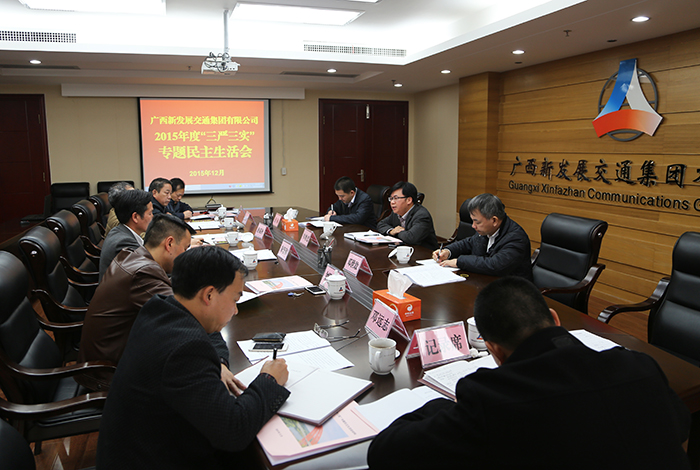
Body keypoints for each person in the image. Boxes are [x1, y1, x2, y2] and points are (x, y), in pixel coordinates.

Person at [367, 276, 691, 469]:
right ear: (554, 318)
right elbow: (680, 425)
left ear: (493, 349)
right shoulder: (640, 366)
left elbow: (385, 453)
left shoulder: (491, 400)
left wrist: (443, 406)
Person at [97, 246, 290, 469]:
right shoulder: (185, 350)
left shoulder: (160, 307)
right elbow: (233, 430)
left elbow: (211, 332)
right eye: (235, 299)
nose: (236, 310)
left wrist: (218, 363)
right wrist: (269, 380)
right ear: (209, 295)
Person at [78, 214, 237, 391]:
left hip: (117, 359)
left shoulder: (135, 256)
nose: (186, 255)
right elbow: (191, 318)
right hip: (108, 375)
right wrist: (219, 361)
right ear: (169, 244)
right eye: (185, 248)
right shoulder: (143, 275)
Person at [433, 193, 532, 280]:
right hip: (485, 282)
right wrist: (448, 251)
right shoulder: (487, 230)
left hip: (512, 290)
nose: (473, 226)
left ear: (494, 220)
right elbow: (469, 243)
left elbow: (495, 265)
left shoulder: (517, 238)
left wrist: (459, 262)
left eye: (477, 222)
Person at [99, 189, 153, 281]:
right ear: (135, 217)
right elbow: (150, 273)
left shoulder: (120, 231)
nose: (153, 217)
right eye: (150, 213)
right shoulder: (124, 242)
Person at [377, 181, 438, 250]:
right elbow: (381, 224)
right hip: (404, 250)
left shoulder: (422, 215)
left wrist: (397, 232)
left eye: (396, 198)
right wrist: (391, 231)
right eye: (391, 198)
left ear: (409, 200)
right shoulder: (396, 212)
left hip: (424, 253)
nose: (392, 202)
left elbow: (411, 238)